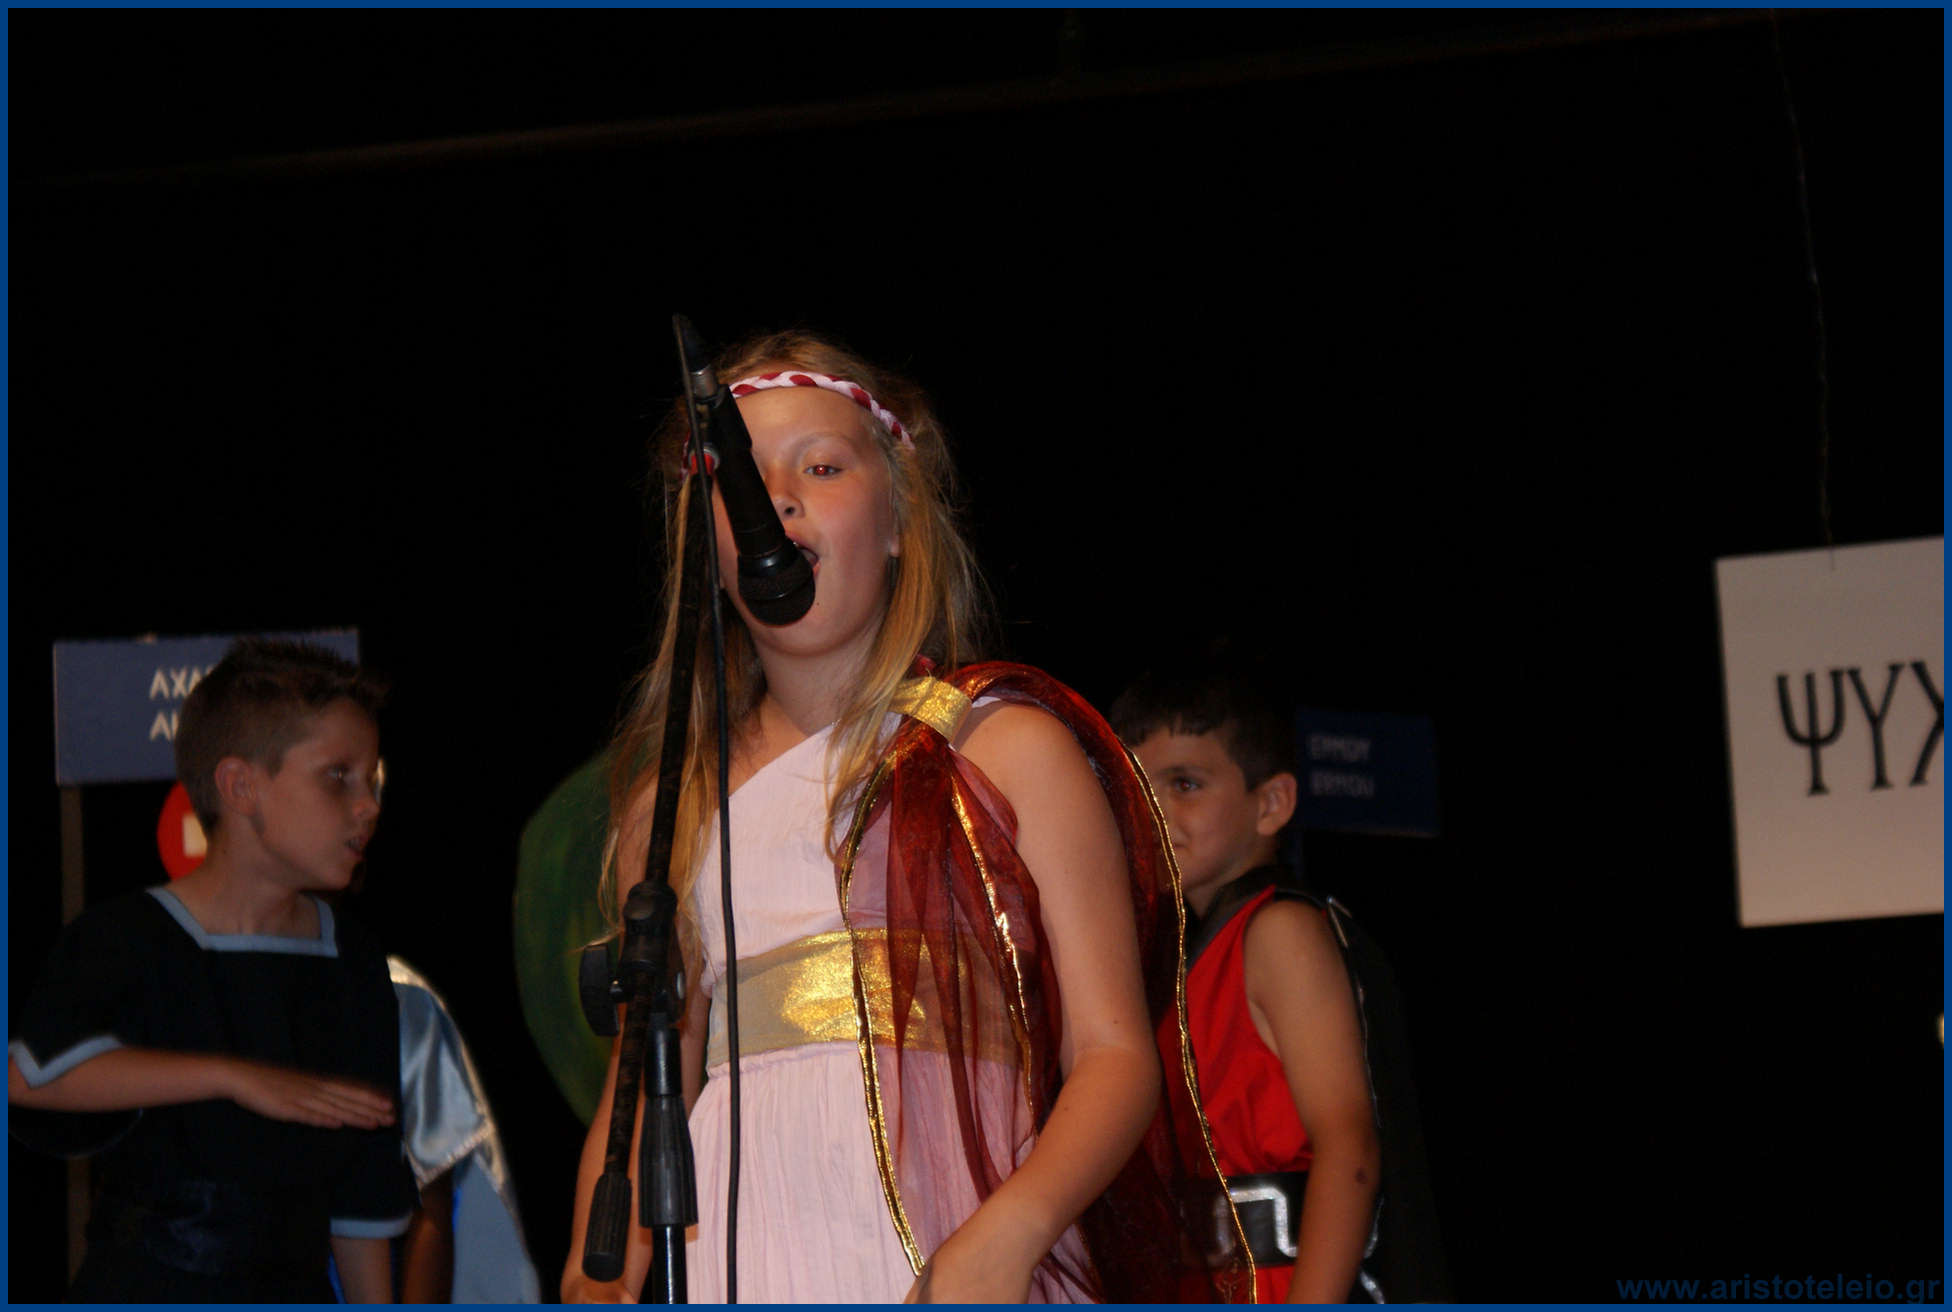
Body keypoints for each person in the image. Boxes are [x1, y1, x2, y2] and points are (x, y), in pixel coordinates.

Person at [561, 331, 1221, 1304]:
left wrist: (1010, 1235)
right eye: (737, 477)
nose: (775, 498)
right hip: (743, 1250)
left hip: (967, 1246)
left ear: (900, 519)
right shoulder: (673, 805)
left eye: (821, 467)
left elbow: (1113, 1053)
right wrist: (596, 1271)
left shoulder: (1003, 749)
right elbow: (645, 1073)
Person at [8, 637, 417, 1302]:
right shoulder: (127, 936)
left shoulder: (354, 959)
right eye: (337, 776)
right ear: (240, 786)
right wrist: (232, 1077)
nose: (368, 804)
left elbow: (363, 1198)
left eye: (370, 780)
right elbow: (30, 1077)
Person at [1111, 656, 1384, 1304]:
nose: (1155, 810)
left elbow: (1349, 1146)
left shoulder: (1279, 931)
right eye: (1136, 786)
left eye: (1185, 783)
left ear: (1272, 804)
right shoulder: (1173, 956)